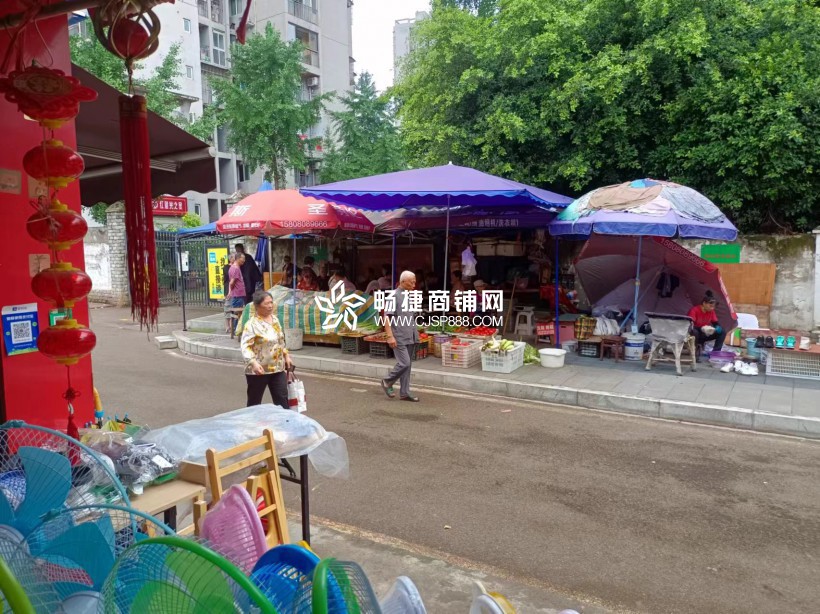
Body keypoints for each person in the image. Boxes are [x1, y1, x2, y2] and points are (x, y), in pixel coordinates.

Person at [241, 290, 294, 408]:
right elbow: (245, 346)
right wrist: (253, 363)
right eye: (266, 303)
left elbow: (280, 340)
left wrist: (286, 355)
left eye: (271, 302)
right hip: (258, 370)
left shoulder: (275, 320)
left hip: (277, 368)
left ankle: (283, 419)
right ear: (257, 306)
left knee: (282, 400)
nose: (270, 306)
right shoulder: (251, 325)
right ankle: (253, 420)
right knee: (254, 403)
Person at [380, 270, 420, 403]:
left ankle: (405, 393)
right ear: (403, 282)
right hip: (399, 336)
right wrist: (390, 336)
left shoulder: (408, 295)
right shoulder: (394, 296)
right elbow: (386, 318)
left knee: (408, 366)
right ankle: (387, 381)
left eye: (414, 282)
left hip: (410, 335)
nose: (414, 285)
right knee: (405, 363)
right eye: (411, 282)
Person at [227, 254, 246, 335]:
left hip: (238, 294)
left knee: (237, 313)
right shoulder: (235, 268)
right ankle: (236, 330)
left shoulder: (235, 267)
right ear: (238, 258)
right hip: (237, 294)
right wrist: (231, 291)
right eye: (243, 258)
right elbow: (231, 282)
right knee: (237, 313)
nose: (244, 260)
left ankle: (236, 330)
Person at [223, 254, 236, 334]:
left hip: (233, 290)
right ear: (230, 259)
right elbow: (229, 280)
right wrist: (229, 291)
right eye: (234, 257)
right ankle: (227, 326)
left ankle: (231, 326)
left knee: (232, 307)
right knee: (227, 307)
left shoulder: (236, 267)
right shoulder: (226, 267)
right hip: (228, 289)